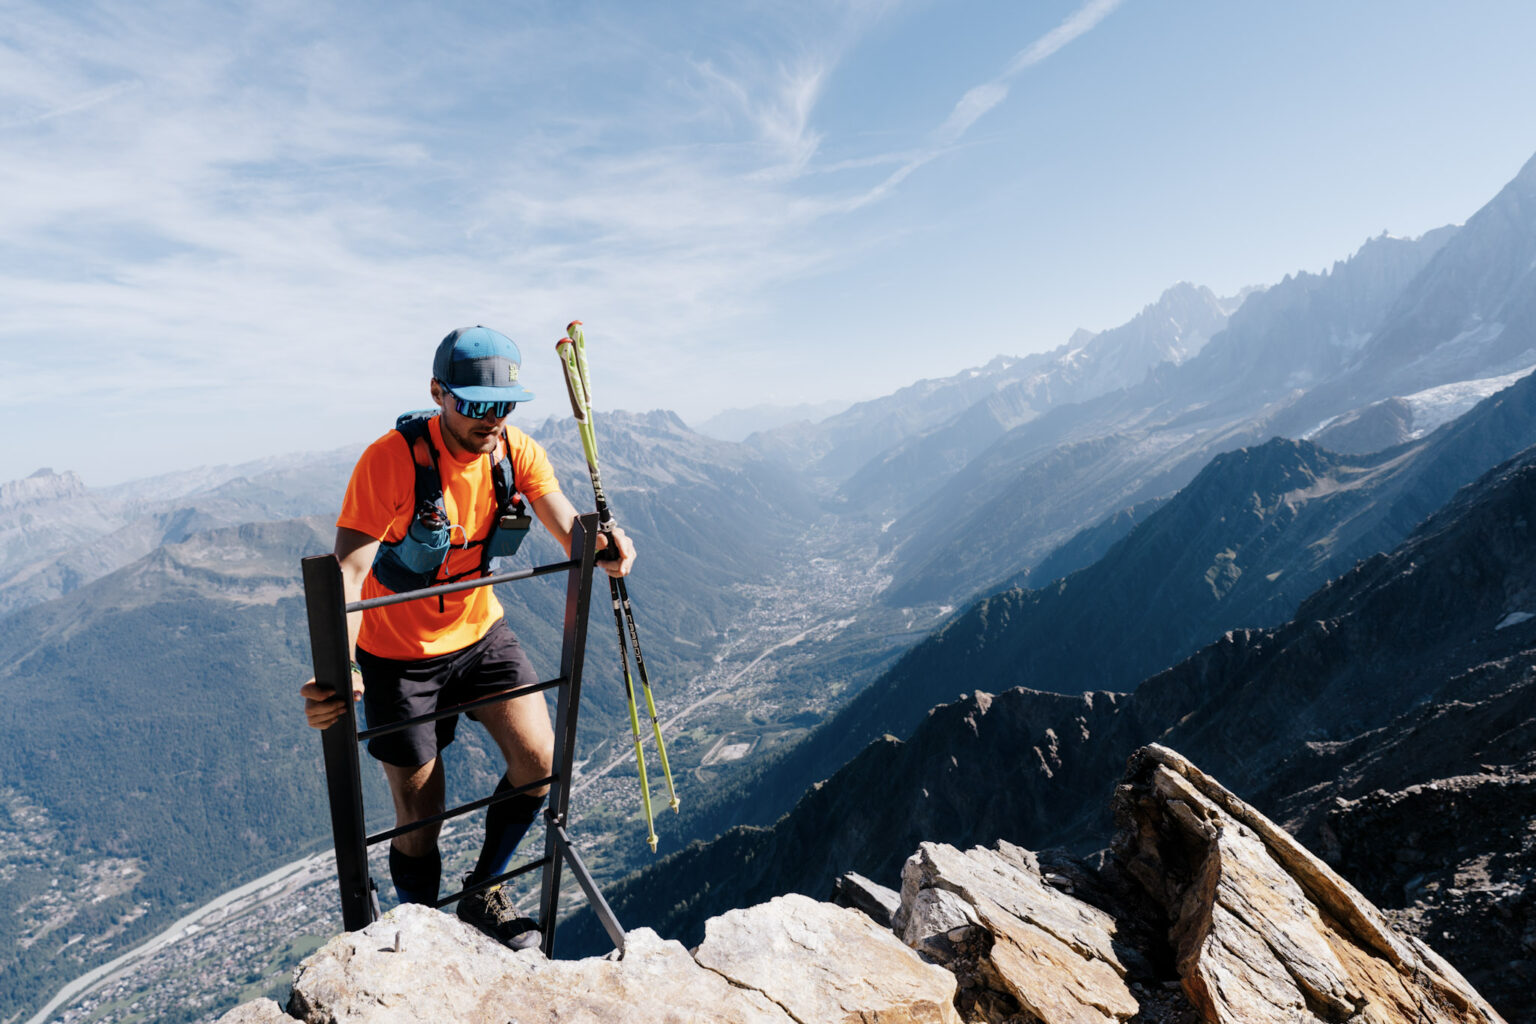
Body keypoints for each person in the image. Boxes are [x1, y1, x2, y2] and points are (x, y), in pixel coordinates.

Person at [300, 325, 633, 950]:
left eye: (504, 406)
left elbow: (564, 522)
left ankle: (484, 891)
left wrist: (602, 546)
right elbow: (348, 571)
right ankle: (428, 938)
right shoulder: (389, 461)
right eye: (476, 404)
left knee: (540, 762)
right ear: (438, 394)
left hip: (481, 632)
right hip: (398, 656)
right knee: (421, 818)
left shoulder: (516, 452)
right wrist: (340, 668)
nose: (492, 420)